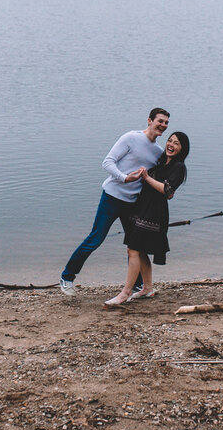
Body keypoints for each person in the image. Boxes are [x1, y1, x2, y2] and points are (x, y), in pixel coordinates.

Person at [59, 108, 170, 296]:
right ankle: (67, 277)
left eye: (166, 123)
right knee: (96, 238)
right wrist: (124, 178)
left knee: (136, 245)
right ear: (149, 120)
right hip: (112, 197)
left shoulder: (158, 152)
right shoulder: (131, 138)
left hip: (133, 203)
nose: (163, 125)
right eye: (160, 121)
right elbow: (107, 162)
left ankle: (137, 285)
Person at [105, 131, 189, 305]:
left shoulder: (179, 167)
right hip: (142, 208)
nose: (171, 145)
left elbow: (167, 191)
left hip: (154, 213)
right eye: (170, 141)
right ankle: (147, 288)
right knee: (140, 250)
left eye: (176, 143)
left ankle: (125, 293)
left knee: (133, 249)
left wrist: (147, 178)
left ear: (182, 149)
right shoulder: (160, 162)